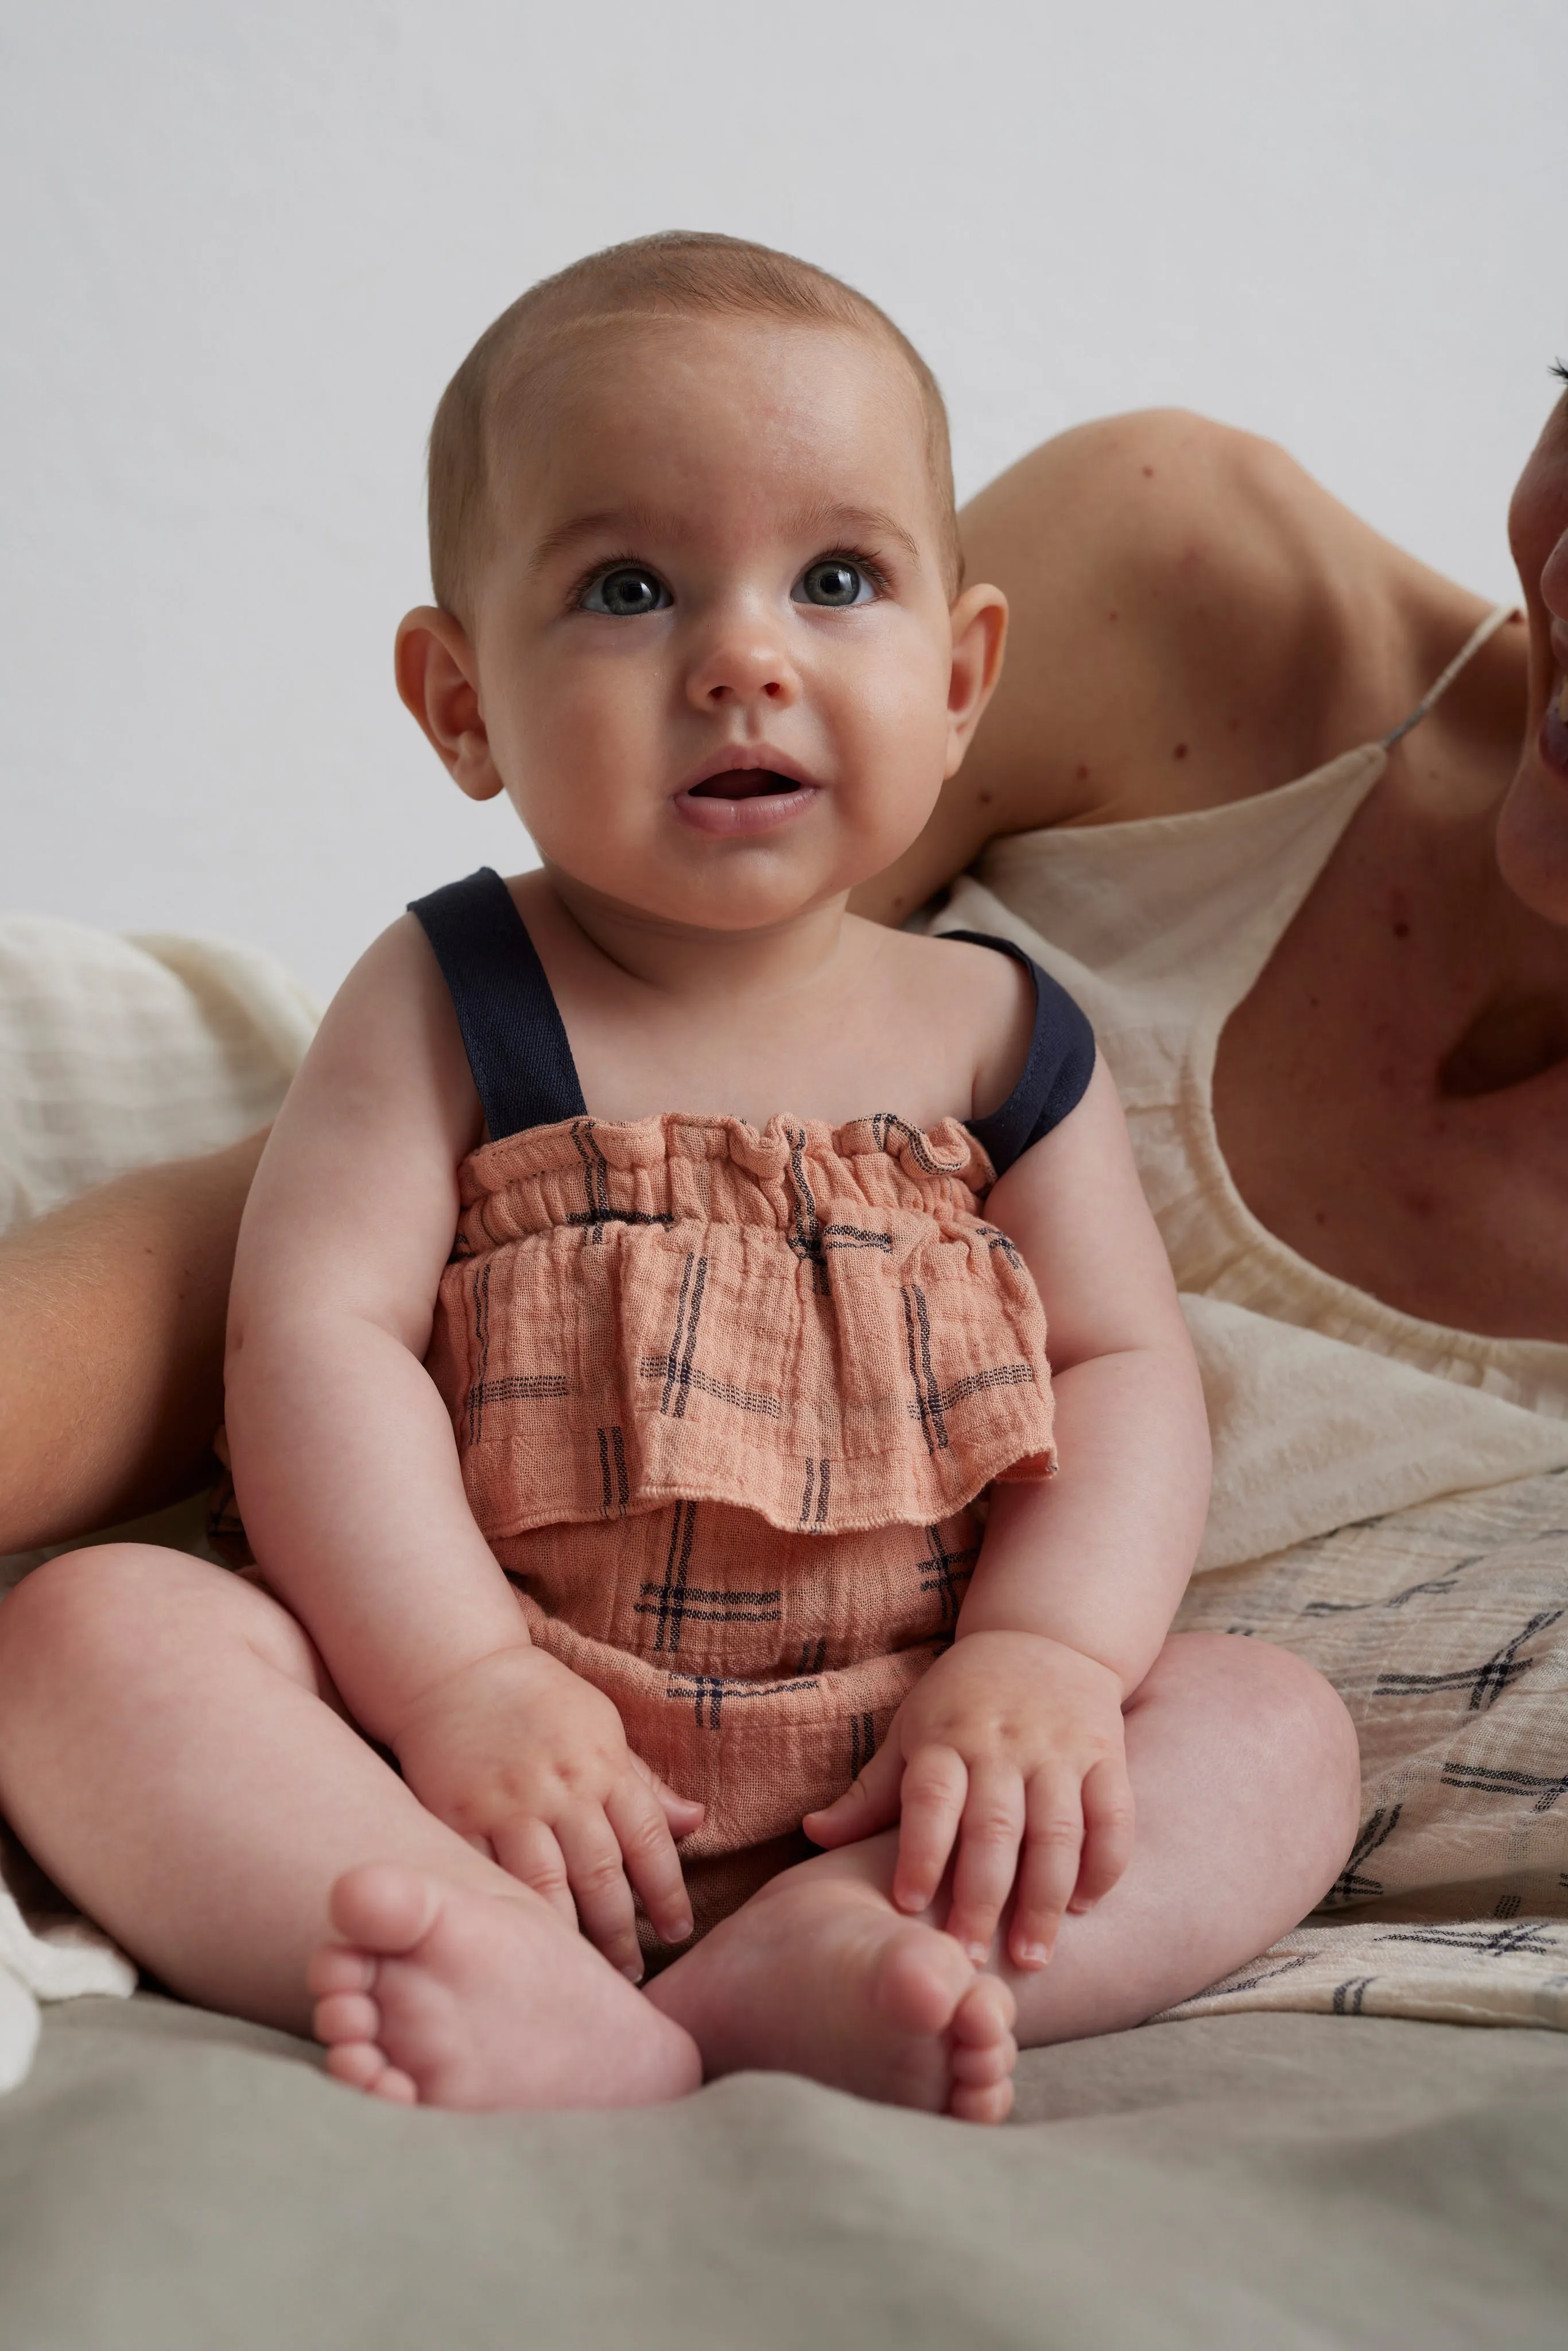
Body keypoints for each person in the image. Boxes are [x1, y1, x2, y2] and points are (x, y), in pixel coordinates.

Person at [0, 235, 1359, 2123]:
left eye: (836, 579)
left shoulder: (1000, 1039)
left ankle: (853, 1956)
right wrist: (461, 1684)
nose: (745, 656)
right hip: (472, 1754)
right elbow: (311, 1339)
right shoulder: (453, 994)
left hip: (897, 1773)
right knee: (88, 1636)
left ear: (961, 674)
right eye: (629, 588)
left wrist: (1047, 1656)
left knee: (1276, 1730)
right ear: (459, 701)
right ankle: (467, 1948)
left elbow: (1122, 1374)